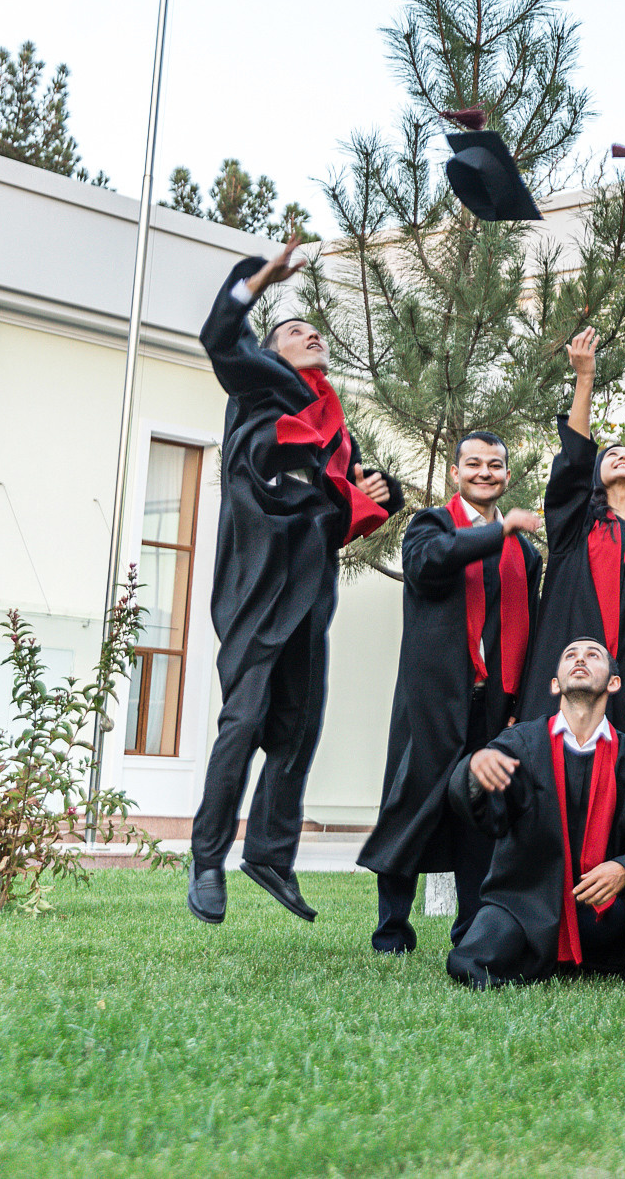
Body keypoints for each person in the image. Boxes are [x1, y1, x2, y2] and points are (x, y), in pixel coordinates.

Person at [188, 239, 403, 926]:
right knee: (246, 720)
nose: (310, 333)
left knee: (298, 728)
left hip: (309, 590)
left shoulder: (335, 433)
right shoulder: (259, 386)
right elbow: (220, 333)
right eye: (293, 330)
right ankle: (206, 859)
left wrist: (383, 492)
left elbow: (342, 510)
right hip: (256, 586)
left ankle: (271, 856)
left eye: (314, 330)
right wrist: (262, 277)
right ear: (272, 350)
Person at [357, 432, 544, 954]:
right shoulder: (432, 524)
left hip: (492, 702)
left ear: (507, 475)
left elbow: (529, 630)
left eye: (495, 465)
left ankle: (469, 929)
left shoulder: (525, 554)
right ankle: (392, 929)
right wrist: (496, 531)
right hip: (431, 699)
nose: (485, 472)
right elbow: (429, 564)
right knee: (409, 808)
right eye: (474, 464)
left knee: (479, 815)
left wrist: (517, 710)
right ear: (457, 473)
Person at [443, 639, 625, 986]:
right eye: (570, 655)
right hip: (528, 905)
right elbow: (489, 817)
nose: (580, 659)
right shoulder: (520, 745)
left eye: (593, 655)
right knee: (474, 960)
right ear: (555, 683)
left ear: (613, 682)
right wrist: (473, 771)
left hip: (605, 909)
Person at [523, 329, 625, 747]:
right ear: (597, 476)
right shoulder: (574, 527)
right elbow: (573, 460)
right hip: (568, 665)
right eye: (612, 455)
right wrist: (585, 380)